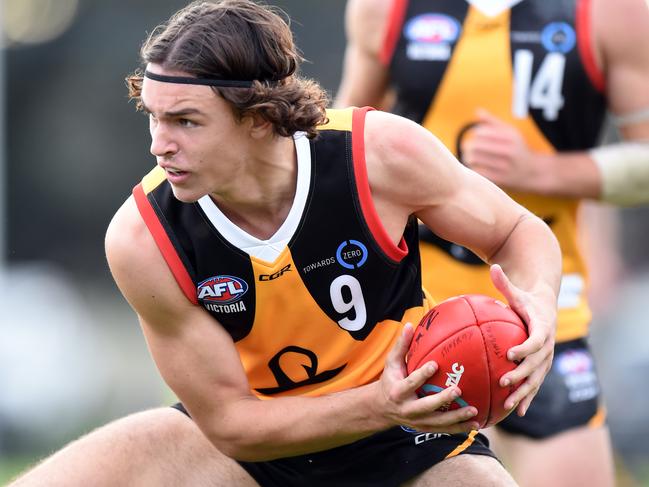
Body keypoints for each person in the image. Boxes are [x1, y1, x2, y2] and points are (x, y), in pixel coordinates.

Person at [9, 1, 561, 485]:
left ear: (258, 116)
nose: (159, 145)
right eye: (153, 117)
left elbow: (518, 232)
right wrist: (378, 403)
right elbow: (231, 425)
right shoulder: (142, 238)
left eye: (185, 121)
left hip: (413, 438)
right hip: (263, 448)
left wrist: (538, 308)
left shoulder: (381, 155)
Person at [335, 0, 649, 486]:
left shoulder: (614, 11)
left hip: (540, 310)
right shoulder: (383, 7)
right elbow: (338, 142)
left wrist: (541, 171)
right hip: (408, 316)